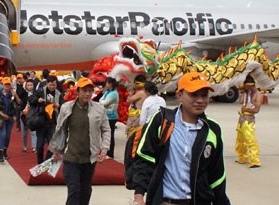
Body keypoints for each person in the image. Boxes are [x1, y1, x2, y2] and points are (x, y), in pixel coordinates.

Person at [131, 72, 230, 205]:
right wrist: (139, 195)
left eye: (204, 95)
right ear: (179, 95)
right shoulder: (162, 121)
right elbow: (144, 158)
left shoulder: (212, 129)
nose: (200, 100)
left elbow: (217, 175)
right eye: (194, 94)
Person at [49, 77, 111, 205]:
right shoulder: (67, 107)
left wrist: (104, 148)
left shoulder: (99, 108)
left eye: (90, 91)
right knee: (74, 190)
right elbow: (59, 129)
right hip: (71, 158)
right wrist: (57, 149)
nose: (87, 94)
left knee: (85, 191)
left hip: (89, 158)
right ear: (78, 91)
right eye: (84, 90)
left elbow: (106, 130)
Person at [29, 75, 63, 164]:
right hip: (41, 122)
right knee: (39, 146)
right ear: (47, 83)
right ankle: (39, 163)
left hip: (52, 123)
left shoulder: (58, 93)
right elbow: (31, 99)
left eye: (54, 85)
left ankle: (47, 162)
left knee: (52, 145)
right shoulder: (40, 91)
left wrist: (58, 106)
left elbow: (63, 105)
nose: (52, 87)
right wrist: (37, 99)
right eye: (50, 85)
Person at [235, 75, 262, 169]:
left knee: (250, 140)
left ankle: (255, 161)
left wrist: (245, 109)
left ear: (250, 85)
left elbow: (256, 109)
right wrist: (243, 92)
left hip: (249, 120)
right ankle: (242, 158)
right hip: (242, 118)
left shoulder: (258, 94)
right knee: (240, 140)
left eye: (246, 86)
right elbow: (240, 102)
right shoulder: (246, 92)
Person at [0, 77, 19, 163]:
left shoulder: (12, 95)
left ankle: (5, 151)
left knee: (7, 136)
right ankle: (1, 154)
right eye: (5, 84)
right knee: (2, 135)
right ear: (2, 85)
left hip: (10, 118)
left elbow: (19, 103)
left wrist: (15, 95)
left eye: (8, 84)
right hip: (0, 118)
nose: (7, 86)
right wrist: (2, 115)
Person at [98, 77, 119, 159]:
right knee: (104, 134)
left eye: (107, 83)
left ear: (110, 84)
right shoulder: (107, 92)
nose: (106, 84)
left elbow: (104, 102)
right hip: (105, 116)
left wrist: (101, 102)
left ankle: (110, 153)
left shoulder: (114, 94)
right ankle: (105, 150)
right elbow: (101, 99)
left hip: (111, 117)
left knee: (110, 134)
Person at [20, 79, 37, 153]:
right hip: (24, 115)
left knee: (33, 131)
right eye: (28, 85)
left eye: (31, 85)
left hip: (33, 114)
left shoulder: (36, 94)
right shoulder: (23, 93)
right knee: (24, 132)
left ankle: (34, 147)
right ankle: (25, 146)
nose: (30, 87)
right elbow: (19, 103)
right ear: (26, 86)